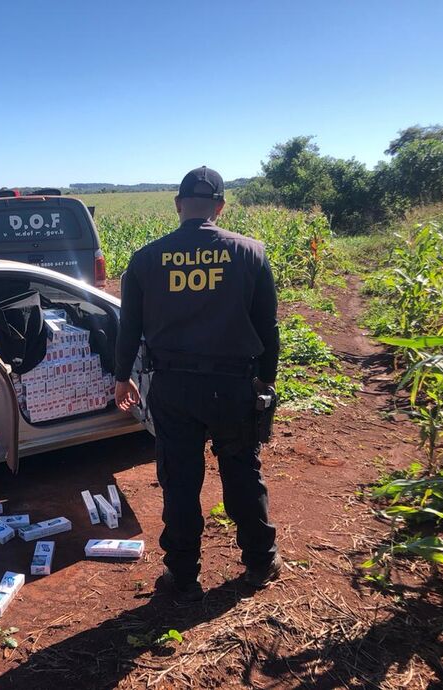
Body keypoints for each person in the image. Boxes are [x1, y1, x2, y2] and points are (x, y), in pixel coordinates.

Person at [114, 166, 282, 601]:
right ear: (221, 207)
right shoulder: (250, 253)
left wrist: (121, 378)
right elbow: (268, 329)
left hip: (173, 387)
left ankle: (182, 575)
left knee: (181, 482)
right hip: (234, 387)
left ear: (178, 206)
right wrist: (266, 383)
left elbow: (128, 327)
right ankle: (261, 562)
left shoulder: (147, 258)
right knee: (242, 474)